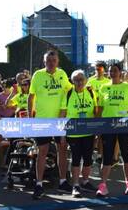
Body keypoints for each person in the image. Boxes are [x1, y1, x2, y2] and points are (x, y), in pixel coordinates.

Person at [28, 50, 72, 199]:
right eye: (48, 60)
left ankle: (63, 181)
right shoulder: (37, 75)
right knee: (42, 152)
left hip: (60, 120)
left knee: (62, 150)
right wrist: (30, 117)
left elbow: (70, 90)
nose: (51, 63)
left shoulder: (62, 74)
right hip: (42, 120)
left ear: (57, 61)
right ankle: (39, 184)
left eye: (54, 60)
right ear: (44, 61)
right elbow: (31, 96)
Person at [96, 63, 128, 197]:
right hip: (108, 127)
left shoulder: (127, 87)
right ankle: (102, 186)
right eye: (110, 71)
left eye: (114, 71)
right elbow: (100, 109)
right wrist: (97, 126)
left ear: (120, 73)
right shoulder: (103, 87)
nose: (112, 73)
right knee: (107, 157)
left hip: (124, 125)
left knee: (126, 154)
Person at [59, 70, 97, 197]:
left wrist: (97, 131)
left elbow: (96, 111)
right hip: (73, 133)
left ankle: (85, 181)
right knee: (76, 158)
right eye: (76, 80)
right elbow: (63, 114)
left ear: (86, 80)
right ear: (72, 81)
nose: (79, 82)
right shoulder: (68, 94)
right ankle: (75, 185)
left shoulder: (91, 92)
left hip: (88, 132)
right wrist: (62, 134)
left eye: (81, 79)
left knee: (88, 158)